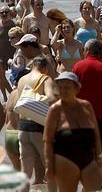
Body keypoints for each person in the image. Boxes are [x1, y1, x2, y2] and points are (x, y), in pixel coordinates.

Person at [43, 72, 102, 192]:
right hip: (65, 158)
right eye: (60, 88)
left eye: (67, 87)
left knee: (97, 186)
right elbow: (47, 140)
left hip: (88, 157)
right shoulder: (55, 110)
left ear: (77, 88)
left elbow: (96, 134)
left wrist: (98, 154)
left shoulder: (86, 106)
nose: (63, 91)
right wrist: (49, 166)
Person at [72, 39, 102, 171]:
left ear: (87, 51)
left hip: (82, 117)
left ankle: (88, 183)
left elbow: (71, 93)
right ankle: (100, 183)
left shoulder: (77, 67)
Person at [14, 55, 57, 192]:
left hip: (23, 127)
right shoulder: (45, 78)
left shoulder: (21, 80)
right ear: (44, 67)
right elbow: (50, 98)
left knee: (25, 172)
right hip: (39, 127)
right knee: (50, 169)